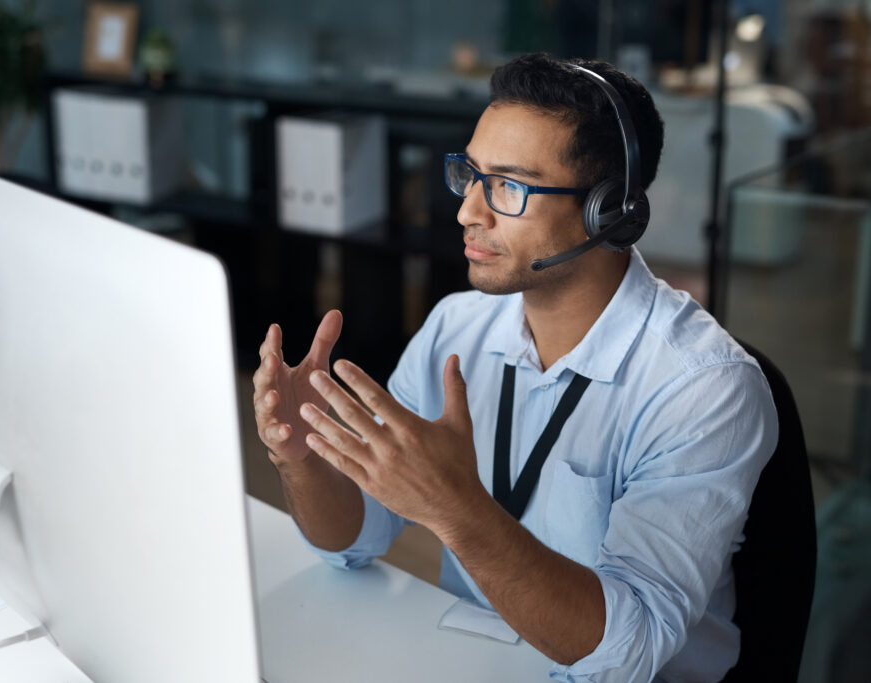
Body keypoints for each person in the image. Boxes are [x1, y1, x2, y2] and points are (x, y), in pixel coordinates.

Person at [253, 52, 777, 682]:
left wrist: (454, 506)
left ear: (607, 212)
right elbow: (356, 537)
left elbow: (628, 654)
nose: (468, 212)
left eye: (509, 186)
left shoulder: (704, 387)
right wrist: (302, 459)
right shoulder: (457, 325)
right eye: (470, 174)